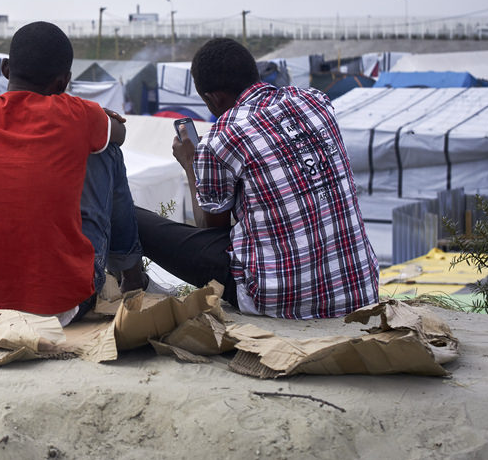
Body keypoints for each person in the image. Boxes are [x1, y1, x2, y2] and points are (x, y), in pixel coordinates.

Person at [137, 38, 379, 319]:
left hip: (277, 297)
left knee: (134, 218)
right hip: (359, 288)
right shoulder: (317, 102)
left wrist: (191, 164)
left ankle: (134, 283)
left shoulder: (221, 139)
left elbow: (211, 228)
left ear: (214, 98)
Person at [0, 21, 144, 321]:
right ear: (63, 83)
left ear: (6, 69)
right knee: (107, 149)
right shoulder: (78, 116)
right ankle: (133, 276)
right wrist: (95, 116)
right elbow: (119, 133)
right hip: (62, 305)